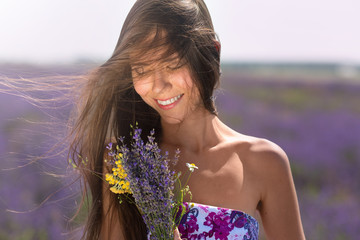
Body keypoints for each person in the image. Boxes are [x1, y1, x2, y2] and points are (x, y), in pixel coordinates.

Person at [69, 0, 306, 239]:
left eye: (172, 65)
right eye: (141, 70)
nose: (159, 86)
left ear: (212, 53)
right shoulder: (125, 160)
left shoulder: (265, 162)